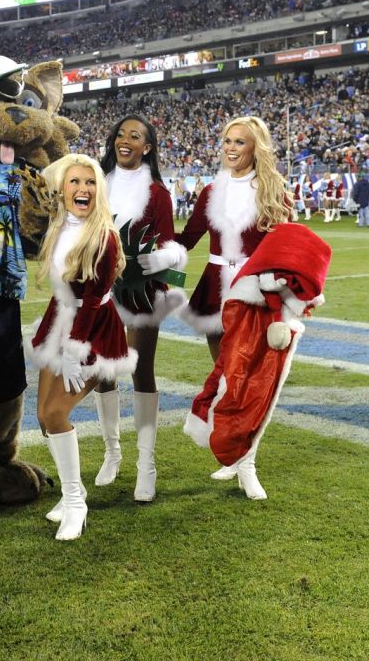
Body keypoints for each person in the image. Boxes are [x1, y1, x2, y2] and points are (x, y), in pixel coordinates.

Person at [26, 153, 134, 540]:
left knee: (56, 412)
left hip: (93, 331)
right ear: (62, 189)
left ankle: (75, 501)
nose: (82, 188)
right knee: (43, 416)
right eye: (74, 182)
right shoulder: (59, 227)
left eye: (90, 182)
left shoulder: (102, 235)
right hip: (60, 323)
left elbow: (93, 299)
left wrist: (75, 349)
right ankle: (76, 491)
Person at [89, 116, 187, 503]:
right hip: (100, 290)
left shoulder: (158, 193)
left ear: (148, 147)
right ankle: (112, 452)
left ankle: (146, 463)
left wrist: (159, 265)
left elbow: (170, 245)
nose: (124, 140)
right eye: (120, 134)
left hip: (142, 291)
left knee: (141, 372)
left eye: (135, 136)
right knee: (103, 373)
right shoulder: (97, 180)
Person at [176, 116, 293, 362]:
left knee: (250, 364)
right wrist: (153, 235)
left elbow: (287, 246)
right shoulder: (211, 191)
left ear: (255, 147)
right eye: (227, 141)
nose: (230, 148)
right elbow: (188, 238)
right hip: (215, 283)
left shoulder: (272, 191)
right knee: (223, 369)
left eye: (239, 142)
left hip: (255, 285)